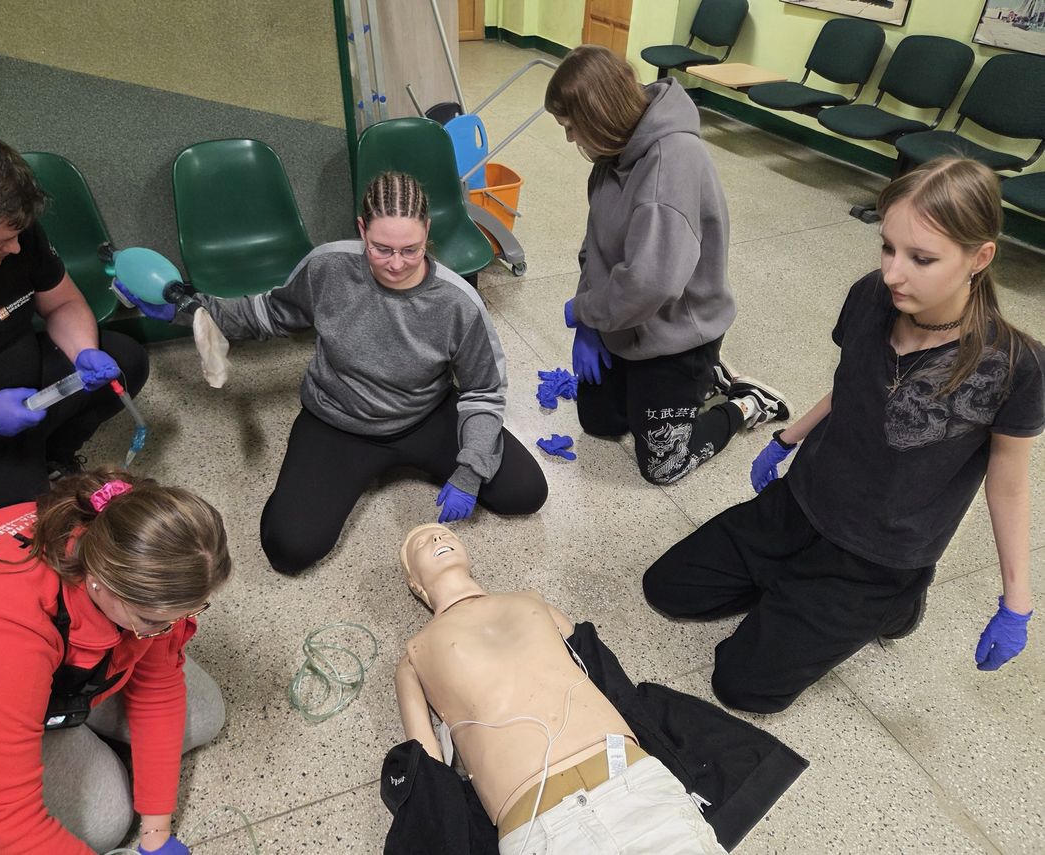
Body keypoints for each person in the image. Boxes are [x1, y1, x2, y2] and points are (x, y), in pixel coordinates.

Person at [643, 157, 1043, 714]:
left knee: (743, 685)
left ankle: (895, 605)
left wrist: (1016, 602)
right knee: (666, 588)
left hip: (878, 554)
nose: (894, 272)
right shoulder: (871, 297)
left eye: (921, 258)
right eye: (888, 248)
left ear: (979, 258)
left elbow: (1009, 485)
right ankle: (799, 592)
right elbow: (853, 382)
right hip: (803, 503)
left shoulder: (1014, 365)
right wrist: (789, 438)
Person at [120, 171, 547, 574]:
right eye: (382, 247)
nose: (396, 263)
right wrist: (190, 310)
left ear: (427, 233)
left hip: (425, 415)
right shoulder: (328, 267)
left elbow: (484, 391)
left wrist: (470, 469)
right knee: (290, 548)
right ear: (362, 229)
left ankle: (422, 462)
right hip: (338, 420)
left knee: (525, 492)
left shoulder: (457, 302)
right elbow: (268, 313)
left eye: (410, 249)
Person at [0, 467, 232, 854]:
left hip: (41, 663)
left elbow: (157, 687)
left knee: (204, 715)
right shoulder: (3, 627)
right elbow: (5, 818)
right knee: (105, 821)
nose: (172, 628)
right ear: (100, 581)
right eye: (152, 620)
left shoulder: (134, 552)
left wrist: (156, 834)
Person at [394, 523, 727, 855]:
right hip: (540, 828)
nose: (439, 537)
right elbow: (430, 775)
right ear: (415, 585)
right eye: (422, 542)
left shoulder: (532, 602)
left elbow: (603, 672)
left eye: (447, 534)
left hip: (643, 789)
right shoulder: (415, 656)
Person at [545, 45, 789, 485]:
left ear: (599, 115)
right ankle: (700, 381)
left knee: (662, 464)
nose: (569, 139)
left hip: (676, 334)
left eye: (570, 126)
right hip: (628, 320)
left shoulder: (669, 169)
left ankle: (745, 402)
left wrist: (582, 312)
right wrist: (591, 323)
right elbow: (595, 247)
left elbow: (648, 285)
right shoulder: (610, 159)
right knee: (600, 423)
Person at [0, 134, 149, 543]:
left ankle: (46, 455)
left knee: (125, 359)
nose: (15, 249)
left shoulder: (12, 234)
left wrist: (84, 350)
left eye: (17, 235)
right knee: (18, 534)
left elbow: (63, 304)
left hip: (25, 392)